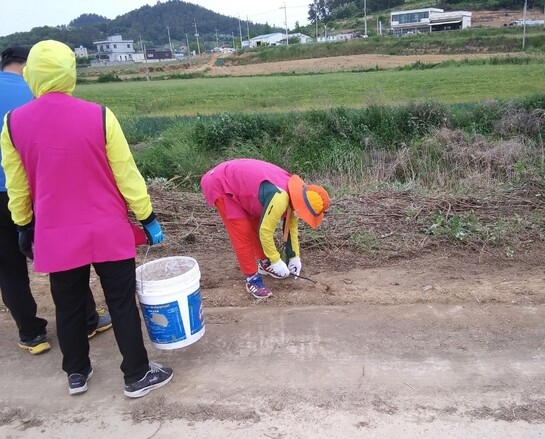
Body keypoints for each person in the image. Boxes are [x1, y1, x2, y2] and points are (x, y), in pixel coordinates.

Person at [0, 40, 173, 398]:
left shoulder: (13, 123)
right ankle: (137, 375)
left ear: (32, 74)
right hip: (107, 228)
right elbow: (127, 174)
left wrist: (22, 224)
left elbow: (17, 186)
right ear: (70, 73)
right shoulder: (99, 114)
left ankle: (77, 373)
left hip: (55, 233)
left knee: (68, 304)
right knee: (121, 302)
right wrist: (147, 216)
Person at [0, 46, 111, 356]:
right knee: (67, 253)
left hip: (10, 190)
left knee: (9, 268)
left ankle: (32, 333)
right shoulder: (35, 94)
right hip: (37, 188)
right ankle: (87, 320)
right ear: (28, 66)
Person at [200, 158, 330, 299]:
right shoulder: (280, 198)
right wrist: (275, 260)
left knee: (256, 222)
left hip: (247, 191)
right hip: (222, 183)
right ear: (302, 206)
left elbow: (291, 226)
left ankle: (264, 262)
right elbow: (266, 232)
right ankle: (251, 279)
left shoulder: (298, 193)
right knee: (242, 232)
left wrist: (294, 257)